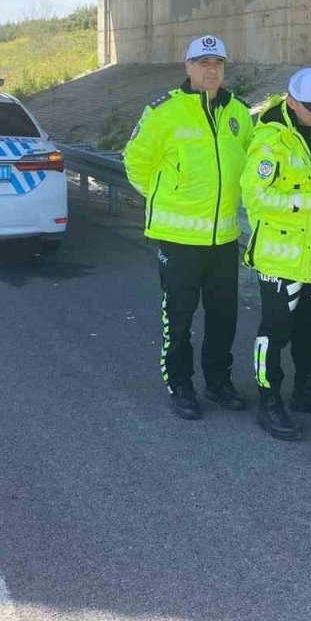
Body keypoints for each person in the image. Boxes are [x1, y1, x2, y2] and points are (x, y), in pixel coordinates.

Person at [124, 35, 253, 421]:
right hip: (178, 238)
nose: (211, 69)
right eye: (203, 62)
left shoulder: (240, 113)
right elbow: (135, 161)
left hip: (224, 237)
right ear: (188, 66)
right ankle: (180, 383)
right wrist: (164, 195)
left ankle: (218, 382)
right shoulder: (163, 112)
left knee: (223, 315)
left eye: (217, 63)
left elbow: (249, 161)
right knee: (178, 315)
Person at [241, 67, 311, 440]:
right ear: (291, 101)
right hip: (280, 257)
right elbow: (254, 196)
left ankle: (305, 391)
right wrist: (306, 202)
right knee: (274, 331)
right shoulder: (270, 140)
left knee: (310, 326)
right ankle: (269, 401)